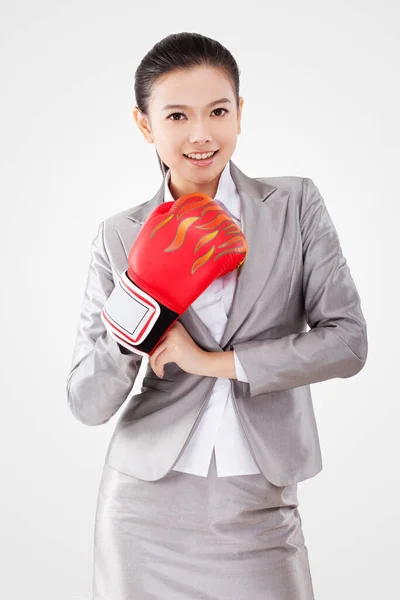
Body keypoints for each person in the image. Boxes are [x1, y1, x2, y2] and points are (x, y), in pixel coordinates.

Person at [66, 31, 368, 600]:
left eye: (218, 111)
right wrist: (144, 298)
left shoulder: (295, 205)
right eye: (177, 115)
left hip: (261, 506)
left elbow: (348, 343)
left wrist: (212, 361)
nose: (201, 134)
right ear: (144, 124)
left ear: (240, 113)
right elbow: (86, 401)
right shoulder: (118, 235)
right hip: (142, 512)